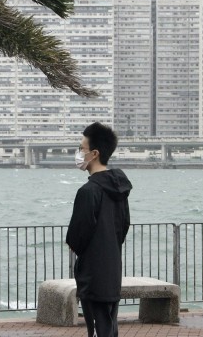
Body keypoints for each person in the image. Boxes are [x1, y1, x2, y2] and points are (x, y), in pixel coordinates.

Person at [66, 122, 132, 337]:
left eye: (81, 149)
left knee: (97, 330)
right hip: (112, 270)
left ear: (94, 153)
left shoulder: (89, 191)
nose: (78, 154)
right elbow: (123, 227)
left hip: (93, 274)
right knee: (109, 328)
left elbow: (77, 236)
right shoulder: (120, 189)